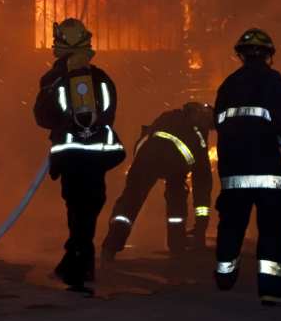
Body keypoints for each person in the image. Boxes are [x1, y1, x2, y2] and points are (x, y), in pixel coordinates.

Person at [34, 18, 126, 288]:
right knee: (89, 210)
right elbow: (109, 114)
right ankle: (76, 265)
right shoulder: (102, 78)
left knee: (77, 211)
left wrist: (65, 126)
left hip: (72, 156)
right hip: (98, 156)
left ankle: (78, 269)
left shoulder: (53, 78)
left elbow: (42, 116)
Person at [213, 28, 281, 305]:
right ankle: (271, 290)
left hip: (234, 174)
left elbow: (218, 123)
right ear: (268, 55)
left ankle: (224, 276)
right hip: (268, 174)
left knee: (231, 225)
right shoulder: (274, 82)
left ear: (241, 55)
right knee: (273, 230)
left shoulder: (228, 85)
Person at [101, 102, 214, 260]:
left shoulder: (168, 116)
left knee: (130, 201)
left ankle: (110, 246)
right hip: (174, 165)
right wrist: (201, 227)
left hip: (144, 158)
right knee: (177, 202)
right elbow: (202, 182)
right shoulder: (198, 134)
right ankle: (177, 247)